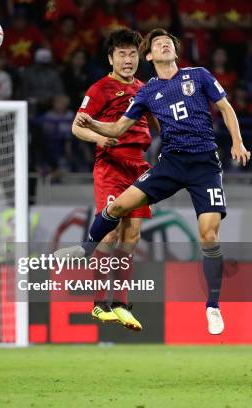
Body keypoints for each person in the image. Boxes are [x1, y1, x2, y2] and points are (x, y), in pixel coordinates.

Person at [57, 28, 251, 335]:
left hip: (201, 165)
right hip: (162, 164)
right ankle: (86, 255)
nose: (163, 45)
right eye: (156, 44)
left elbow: (224, 108)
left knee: (206, 236)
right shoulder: (140, 92)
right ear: (151, 56)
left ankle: (212, 307)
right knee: (116, 214)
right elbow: (117, 128)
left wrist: (237, 143)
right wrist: (93, 126)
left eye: (168, 43)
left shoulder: (196, 75)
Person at [71, 29, 157, 331]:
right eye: (121, 54)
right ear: (111, 58)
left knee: (132, 236)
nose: (128, 59)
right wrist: (98, 138)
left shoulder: (144, 88)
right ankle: (98, 304)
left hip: (138, 167)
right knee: (110, 234)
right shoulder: (99, 89)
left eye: (133, 54)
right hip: (110, 166)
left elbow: (158, 122)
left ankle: (120, 303)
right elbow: (77, 127)